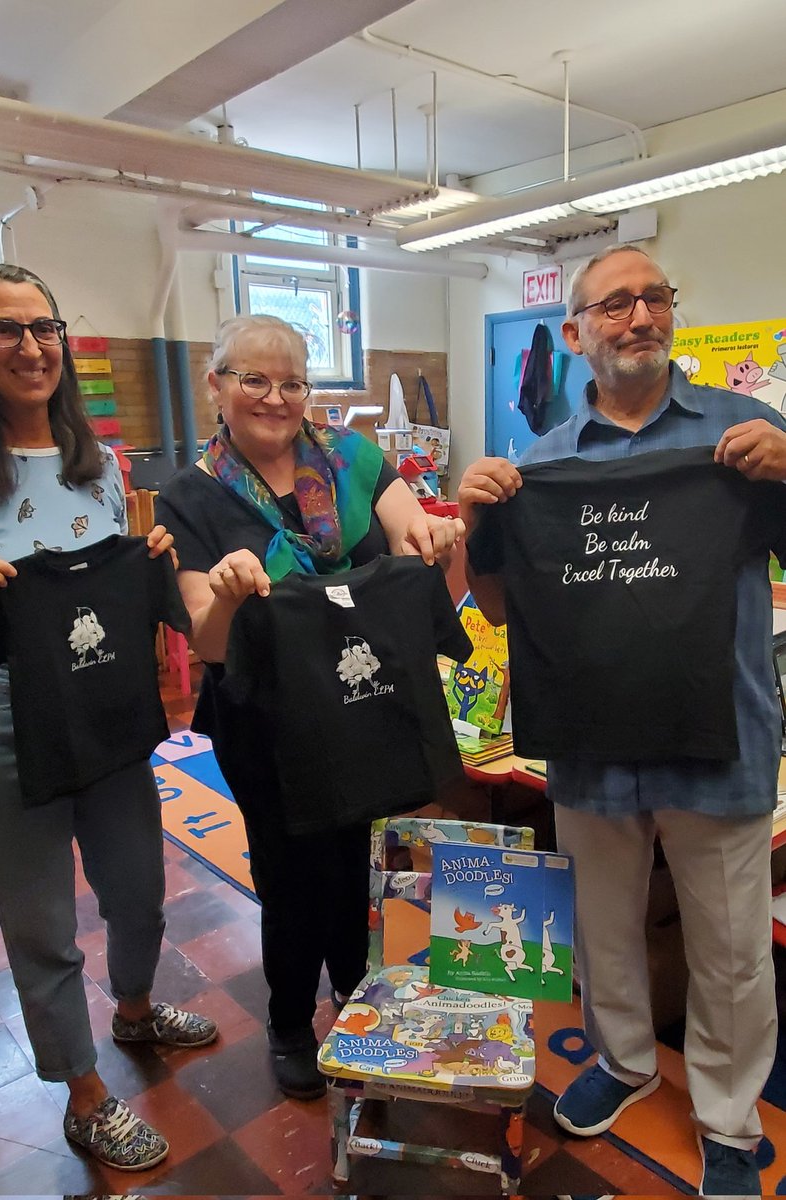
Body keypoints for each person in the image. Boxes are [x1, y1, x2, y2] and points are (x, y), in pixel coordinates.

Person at [458, 245, 786, 1197]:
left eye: (654, 299)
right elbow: (501, 604)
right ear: (574, 334)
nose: (639, 318)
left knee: (728, 947)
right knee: (603, 927)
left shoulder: (747, 432)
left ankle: (727, 1119)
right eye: (614, 306)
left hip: (716, 734)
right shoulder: (542, 464)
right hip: (594, 742)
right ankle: (625, 1061)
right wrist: (484, 518)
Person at [0, 263, 219, 1173]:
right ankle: (83, 1093)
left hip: (106, 719)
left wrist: (148, 553)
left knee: (138, 894)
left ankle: (139, 1012)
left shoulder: (98, 462)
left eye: (45, 327)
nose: (32, 348)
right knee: (41, 927)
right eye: (5, 330)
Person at [154, 314, 464, 1100]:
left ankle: (357, 996)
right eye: (253, 379)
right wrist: (224, 592)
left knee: (355, 859)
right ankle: (291, 1020)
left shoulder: (356, 461)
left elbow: (406, 531)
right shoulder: (188, 500)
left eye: (292, 381)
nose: (275, 397)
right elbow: (207, 638)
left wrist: (429, 536)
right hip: (262, 722)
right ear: (216, 384)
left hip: (359, 705)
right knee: (291, 872)